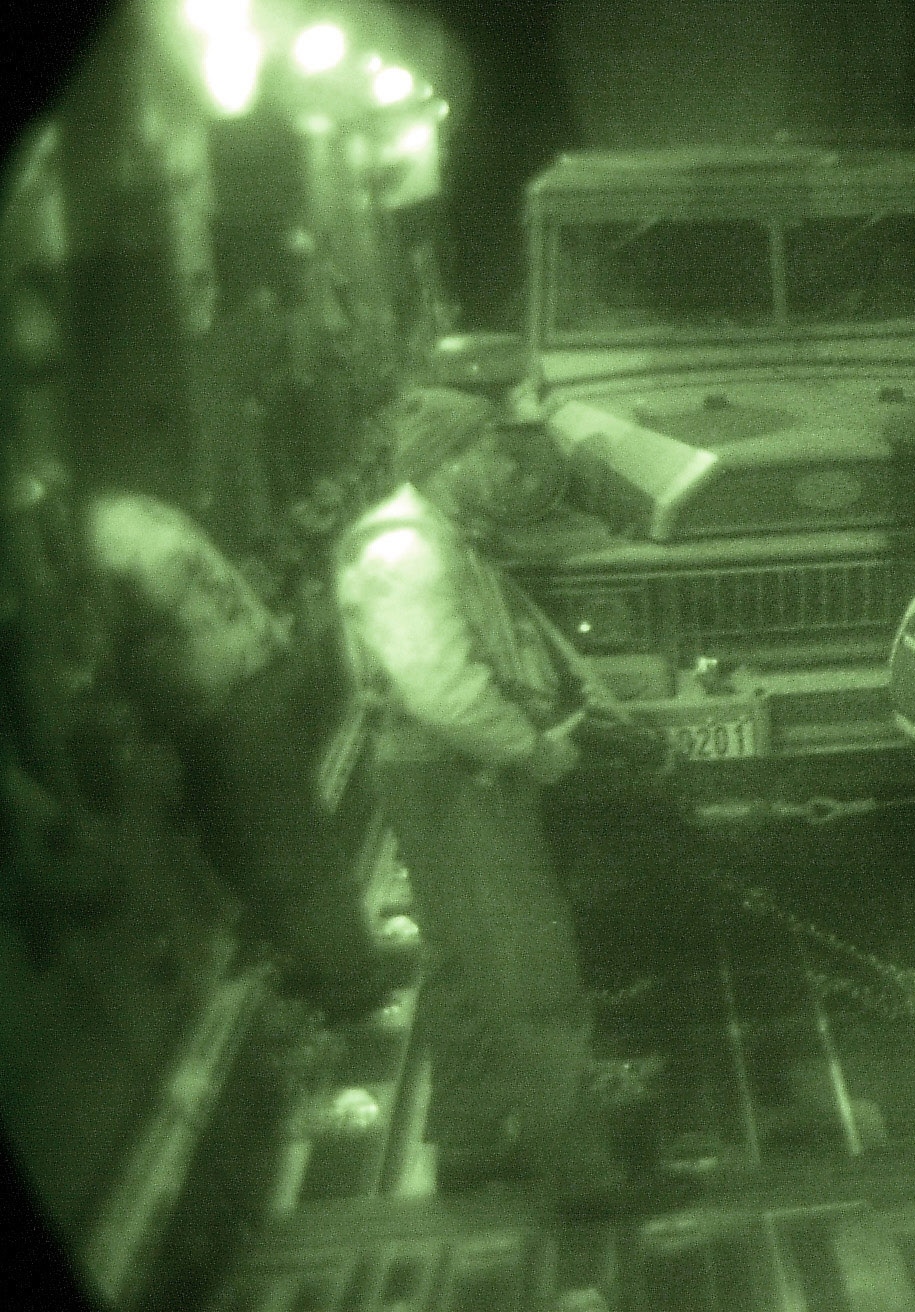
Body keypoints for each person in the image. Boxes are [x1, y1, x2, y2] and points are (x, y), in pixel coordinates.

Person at [334, 385, 615, 1199]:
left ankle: (466, 1140)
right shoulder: (407, 552)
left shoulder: (434, 536)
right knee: (534, 972)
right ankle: (580, 1176)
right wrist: (535, 753)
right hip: (460, 779)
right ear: (446, 460)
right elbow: (442, 692)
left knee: (461, 962)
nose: (501, 468)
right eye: (486, 452)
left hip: (441, 773)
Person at [82, 487, 408, 1024]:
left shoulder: (104, 543)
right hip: (262, 672)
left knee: (284, 851)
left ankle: (353, 989)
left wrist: (116, 696)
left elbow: (140, 645)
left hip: (233, 703)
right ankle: (323, 970)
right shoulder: (133, 512)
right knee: (283, 844)